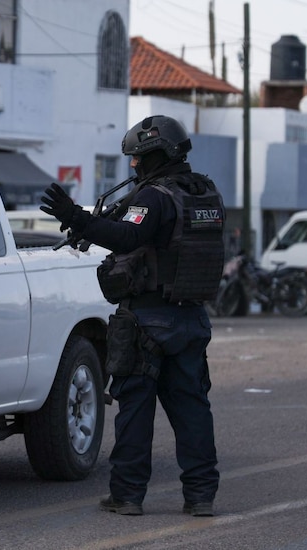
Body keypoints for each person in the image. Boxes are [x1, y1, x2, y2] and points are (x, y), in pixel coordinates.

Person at [39, 115, 225, 518]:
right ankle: (200, 496)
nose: (134, 167)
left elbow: (128, 236)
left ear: (156, 155)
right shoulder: (205, 193)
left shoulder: (155, 197)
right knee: (192, 410)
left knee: (136, 410)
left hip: (149, 320)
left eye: (138, 160)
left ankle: (127, 495)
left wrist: (75, 216)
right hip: (191, 318)